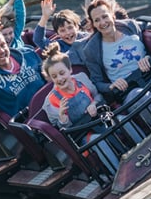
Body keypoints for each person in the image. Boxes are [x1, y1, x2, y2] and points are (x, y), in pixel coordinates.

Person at [79, 0, 151, 125]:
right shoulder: (91, 49)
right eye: (97, 20)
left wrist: (148, 57)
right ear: (93, 24)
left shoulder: (130, 26)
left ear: (112, 15)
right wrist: (111, 85)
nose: (102, 22)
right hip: (129, 88)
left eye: (105, 16)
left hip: (149, 74)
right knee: (139, 97)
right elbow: (97, 82)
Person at [40, 43, 121, 171]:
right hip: (83, 133)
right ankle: (118, 171)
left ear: (70, 70)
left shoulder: (81, 79)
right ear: (50, 79)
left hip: (99, 119)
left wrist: (94, 104)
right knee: (97, 139)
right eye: (54, 76)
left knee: (120, 119)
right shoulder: (51, 101)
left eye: (62, 73)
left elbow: (99, 97)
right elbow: (63, 130)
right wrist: (62, 116)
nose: (60, 78)